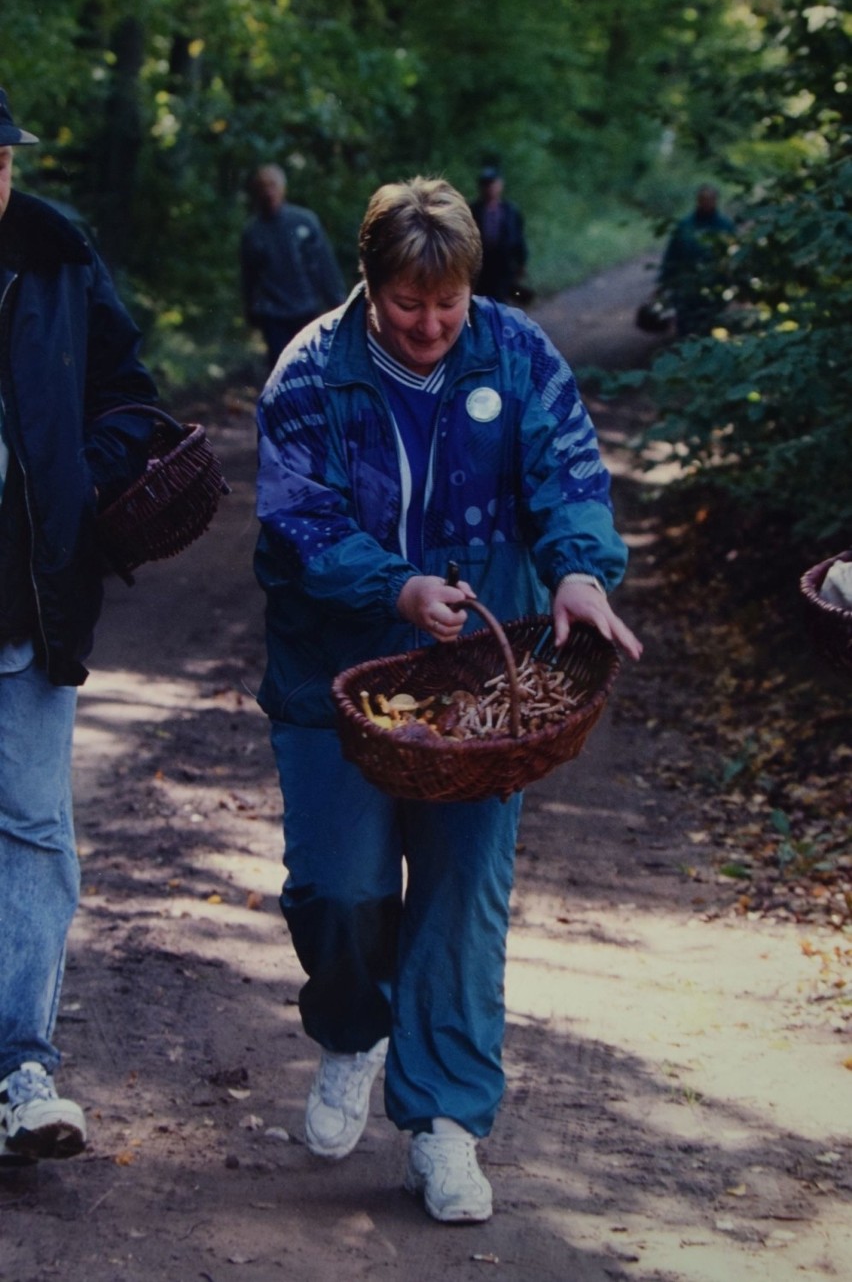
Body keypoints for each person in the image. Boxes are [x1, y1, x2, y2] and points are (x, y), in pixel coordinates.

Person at [254, 176, 641, 1224]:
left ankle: (446, 1124)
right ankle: (350, 1031)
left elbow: (568, 477)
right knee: (338, 887)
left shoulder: (514, 355)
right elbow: (296, 523)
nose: (430, 325)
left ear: (472, 289)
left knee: (462, 896)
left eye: (448, 304)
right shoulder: (310, 373)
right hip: (338, 675)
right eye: (407, 304)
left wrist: (576, 571)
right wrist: (395, 584)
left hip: (480, 676)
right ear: (369, 285)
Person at [0, 89, 159, 1167]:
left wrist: (77, 493)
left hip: (25, 598)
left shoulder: (56, 253)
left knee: (32, 830)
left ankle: (20, 1065)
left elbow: (130, 399)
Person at [240, 163, 347, 370]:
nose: (268, 192)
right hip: (273, 314)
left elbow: (325, 266)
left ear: (283, 188)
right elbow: (249, 276)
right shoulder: (252, 232)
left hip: (307, 309)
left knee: (314, 367)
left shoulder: (305, 221)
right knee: (281, 368)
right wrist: (250, 311)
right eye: (262, 186)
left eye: (272, 185)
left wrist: (339, 304)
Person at [657, 184, 735, 337]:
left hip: (716, 284)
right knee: (686, 325)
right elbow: (672, 254)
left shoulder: (725, 225)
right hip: (687, 284)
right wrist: (663, 282)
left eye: (710, 199)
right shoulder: (685, 225)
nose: (706, 203)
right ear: (698, 201)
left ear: (715, 201)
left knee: (715, 323)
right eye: (703, 199)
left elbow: (733, 255)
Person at [468, 165, 529, 303]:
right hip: (481, 265)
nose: (489, 188)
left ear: (500, 185)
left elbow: (519, 238)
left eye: (492, 184)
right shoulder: (472, 210)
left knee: (501, 300)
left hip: (504, 264)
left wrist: (522, 262)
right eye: (485, 184)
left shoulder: (510, 211)